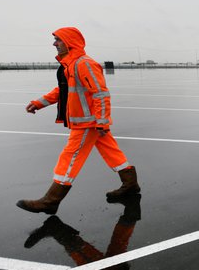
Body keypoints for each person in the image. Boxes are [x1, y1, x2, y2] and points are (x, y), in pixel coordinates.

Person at [17, 27, 140, 214]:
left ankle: (51, 200)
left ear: (69, 42)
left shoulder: (84, 64)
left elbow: (100, 94)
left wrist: (101, 121)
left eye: (58, 40)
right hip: (87, 121)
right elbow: (63, 90)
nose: (54, 44)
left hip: (88, 123)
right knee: (111, 151)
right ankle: (130, 184)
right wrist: (39, 103)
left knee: (70, 156)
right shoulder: (70, 65)